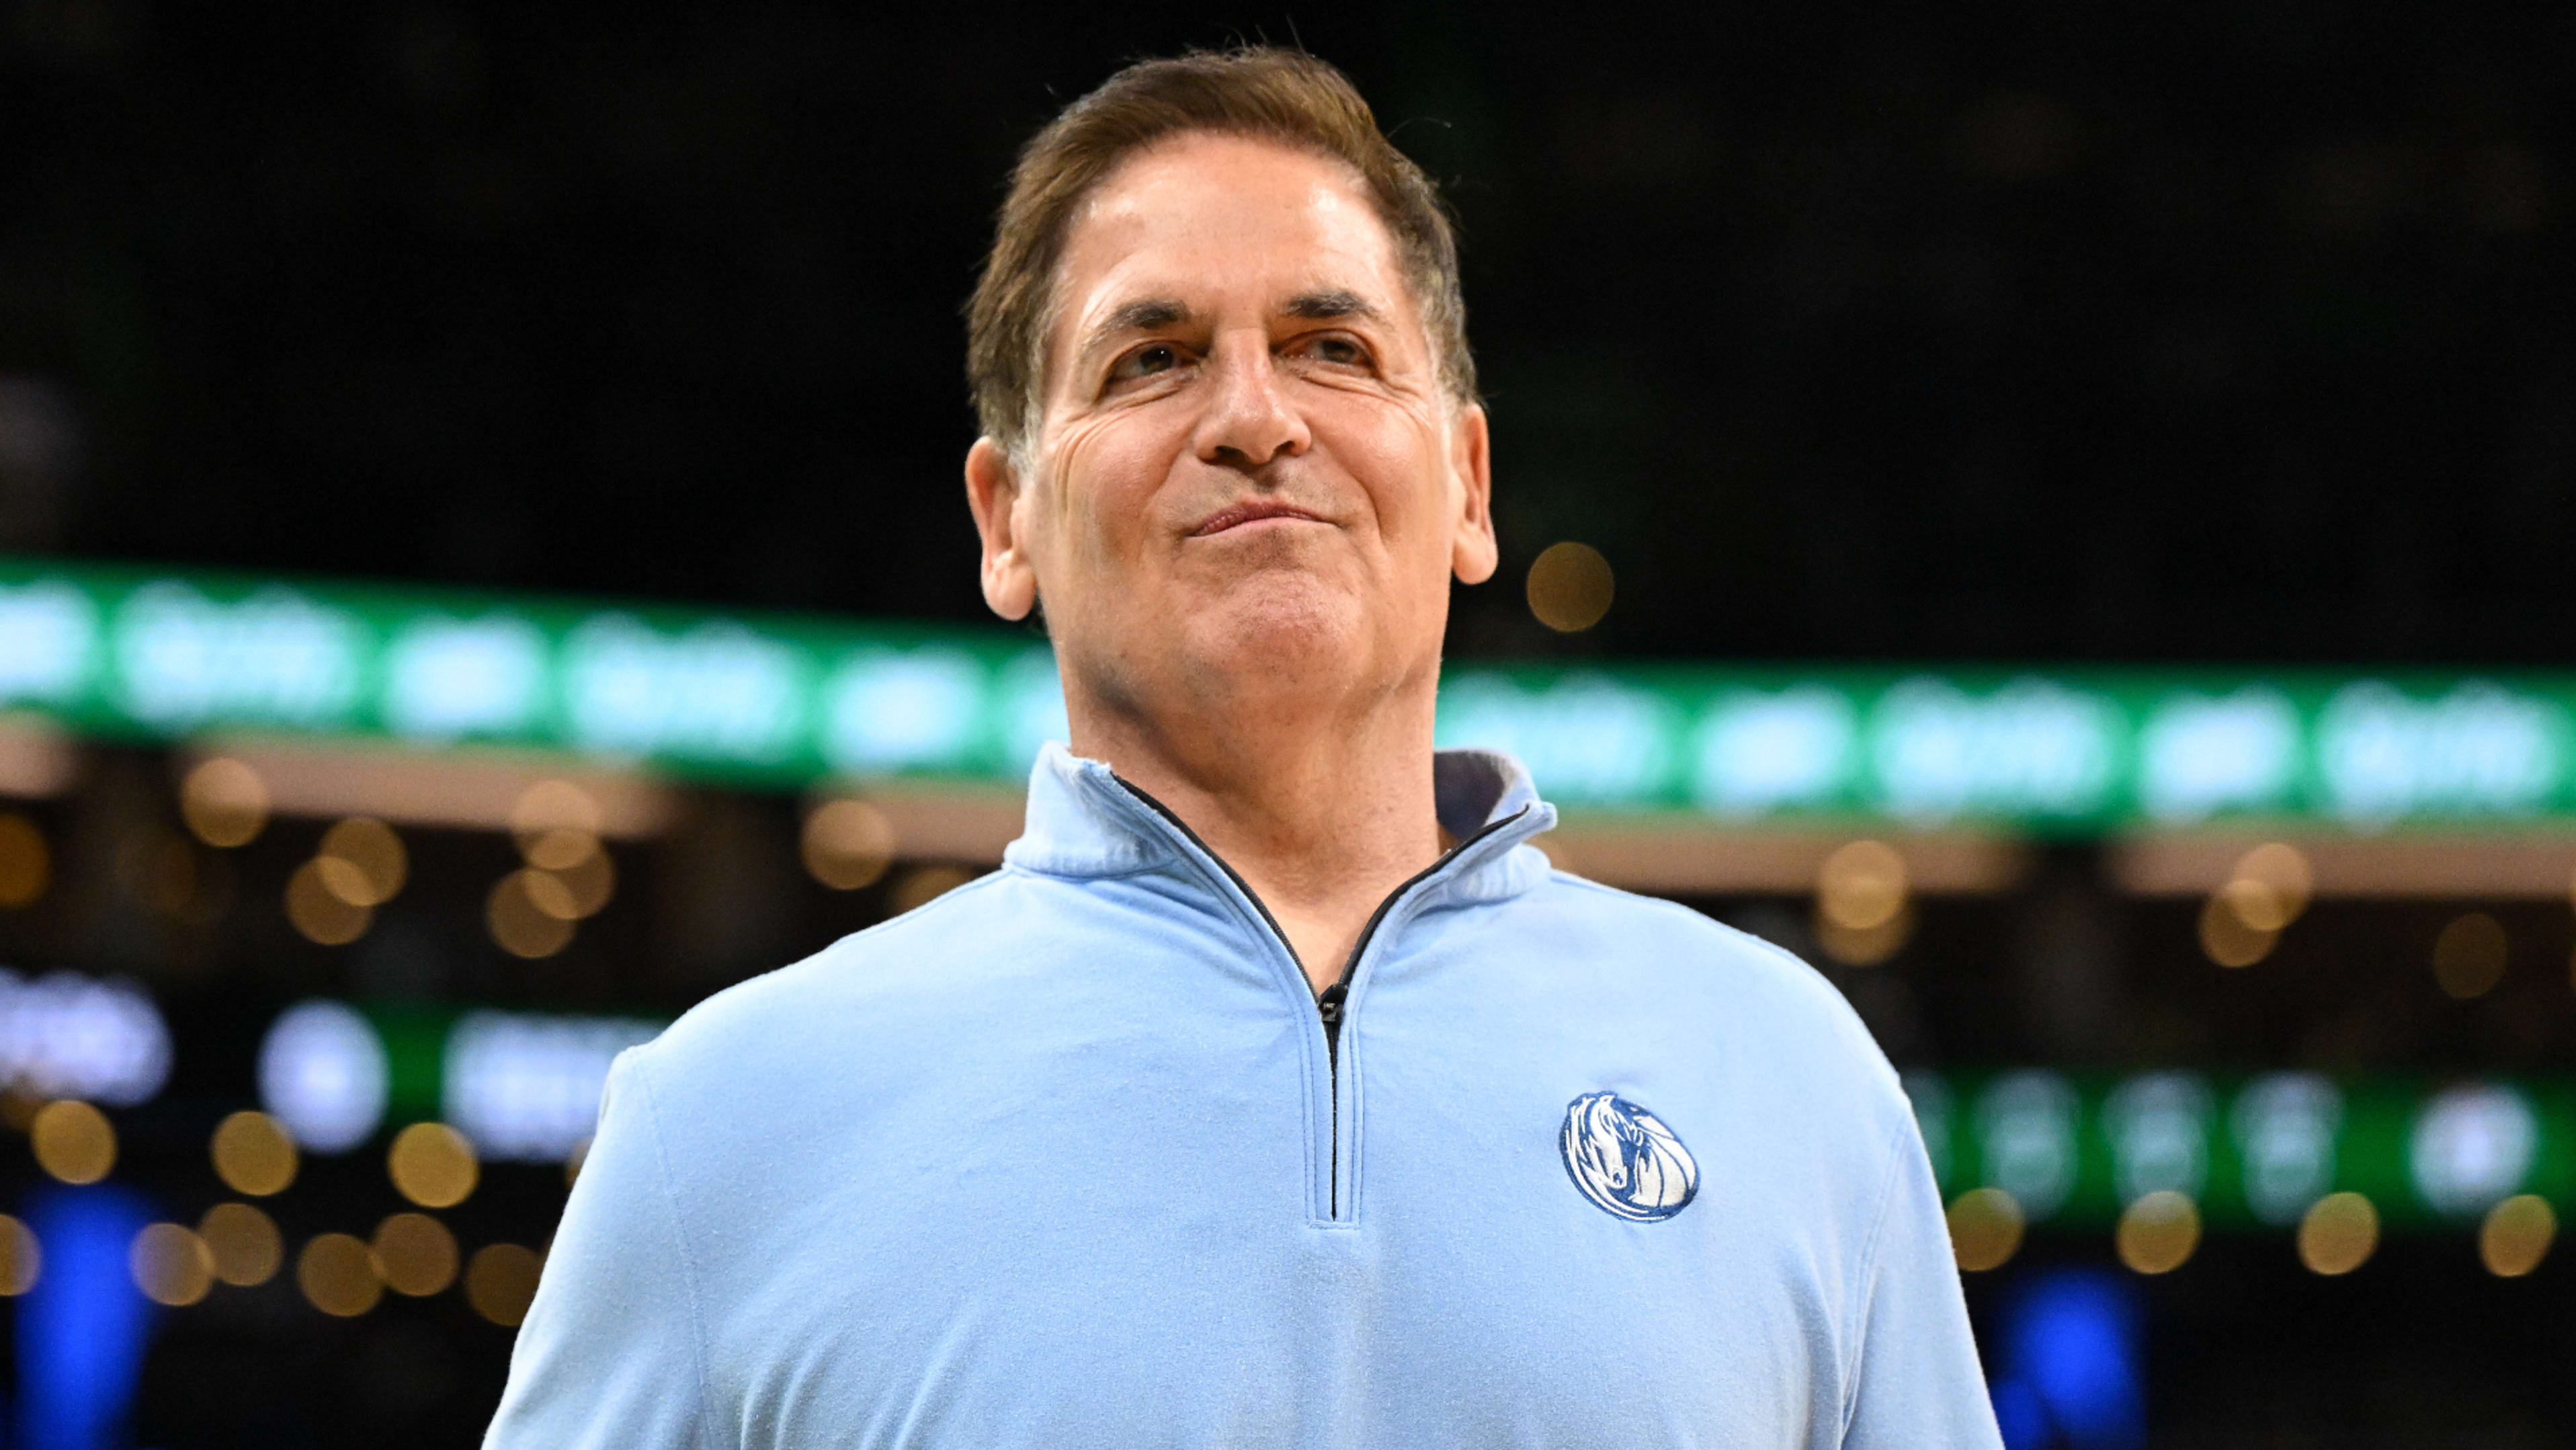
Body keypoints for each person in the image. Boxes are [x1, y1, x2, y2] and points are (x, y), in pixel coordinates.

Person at [485, 47, 2001, 1449]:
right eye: (1151, 359)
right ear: (1005, 519)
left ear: (1468, 484)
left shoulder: (1788, 1078)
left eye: (1330, 342)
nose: (1255, 415)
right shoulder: (722, 1125)